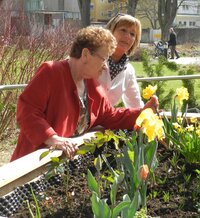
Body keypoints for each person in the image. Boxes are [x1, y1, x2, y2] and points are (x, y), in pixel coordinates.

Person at [11, 26, 158, 161]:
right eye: (104, 58)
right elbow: (27, 111)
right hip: (32, 164)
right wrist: (53, 138)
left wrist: (142, 113)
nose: (106, 66)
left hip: (61, 164)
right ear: (86, 54)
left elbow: (108, 115)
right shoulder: (51, 71)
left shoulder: (91, 83)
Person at [98, 13, 144, 108]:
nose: (127, 36)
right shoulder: (93, 58)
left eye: (132, 34)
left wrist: (148, 113)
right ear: (110, 31)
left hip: (103, 121)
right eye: (123, 30)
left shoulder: (128, 70)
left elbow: (135, 105)